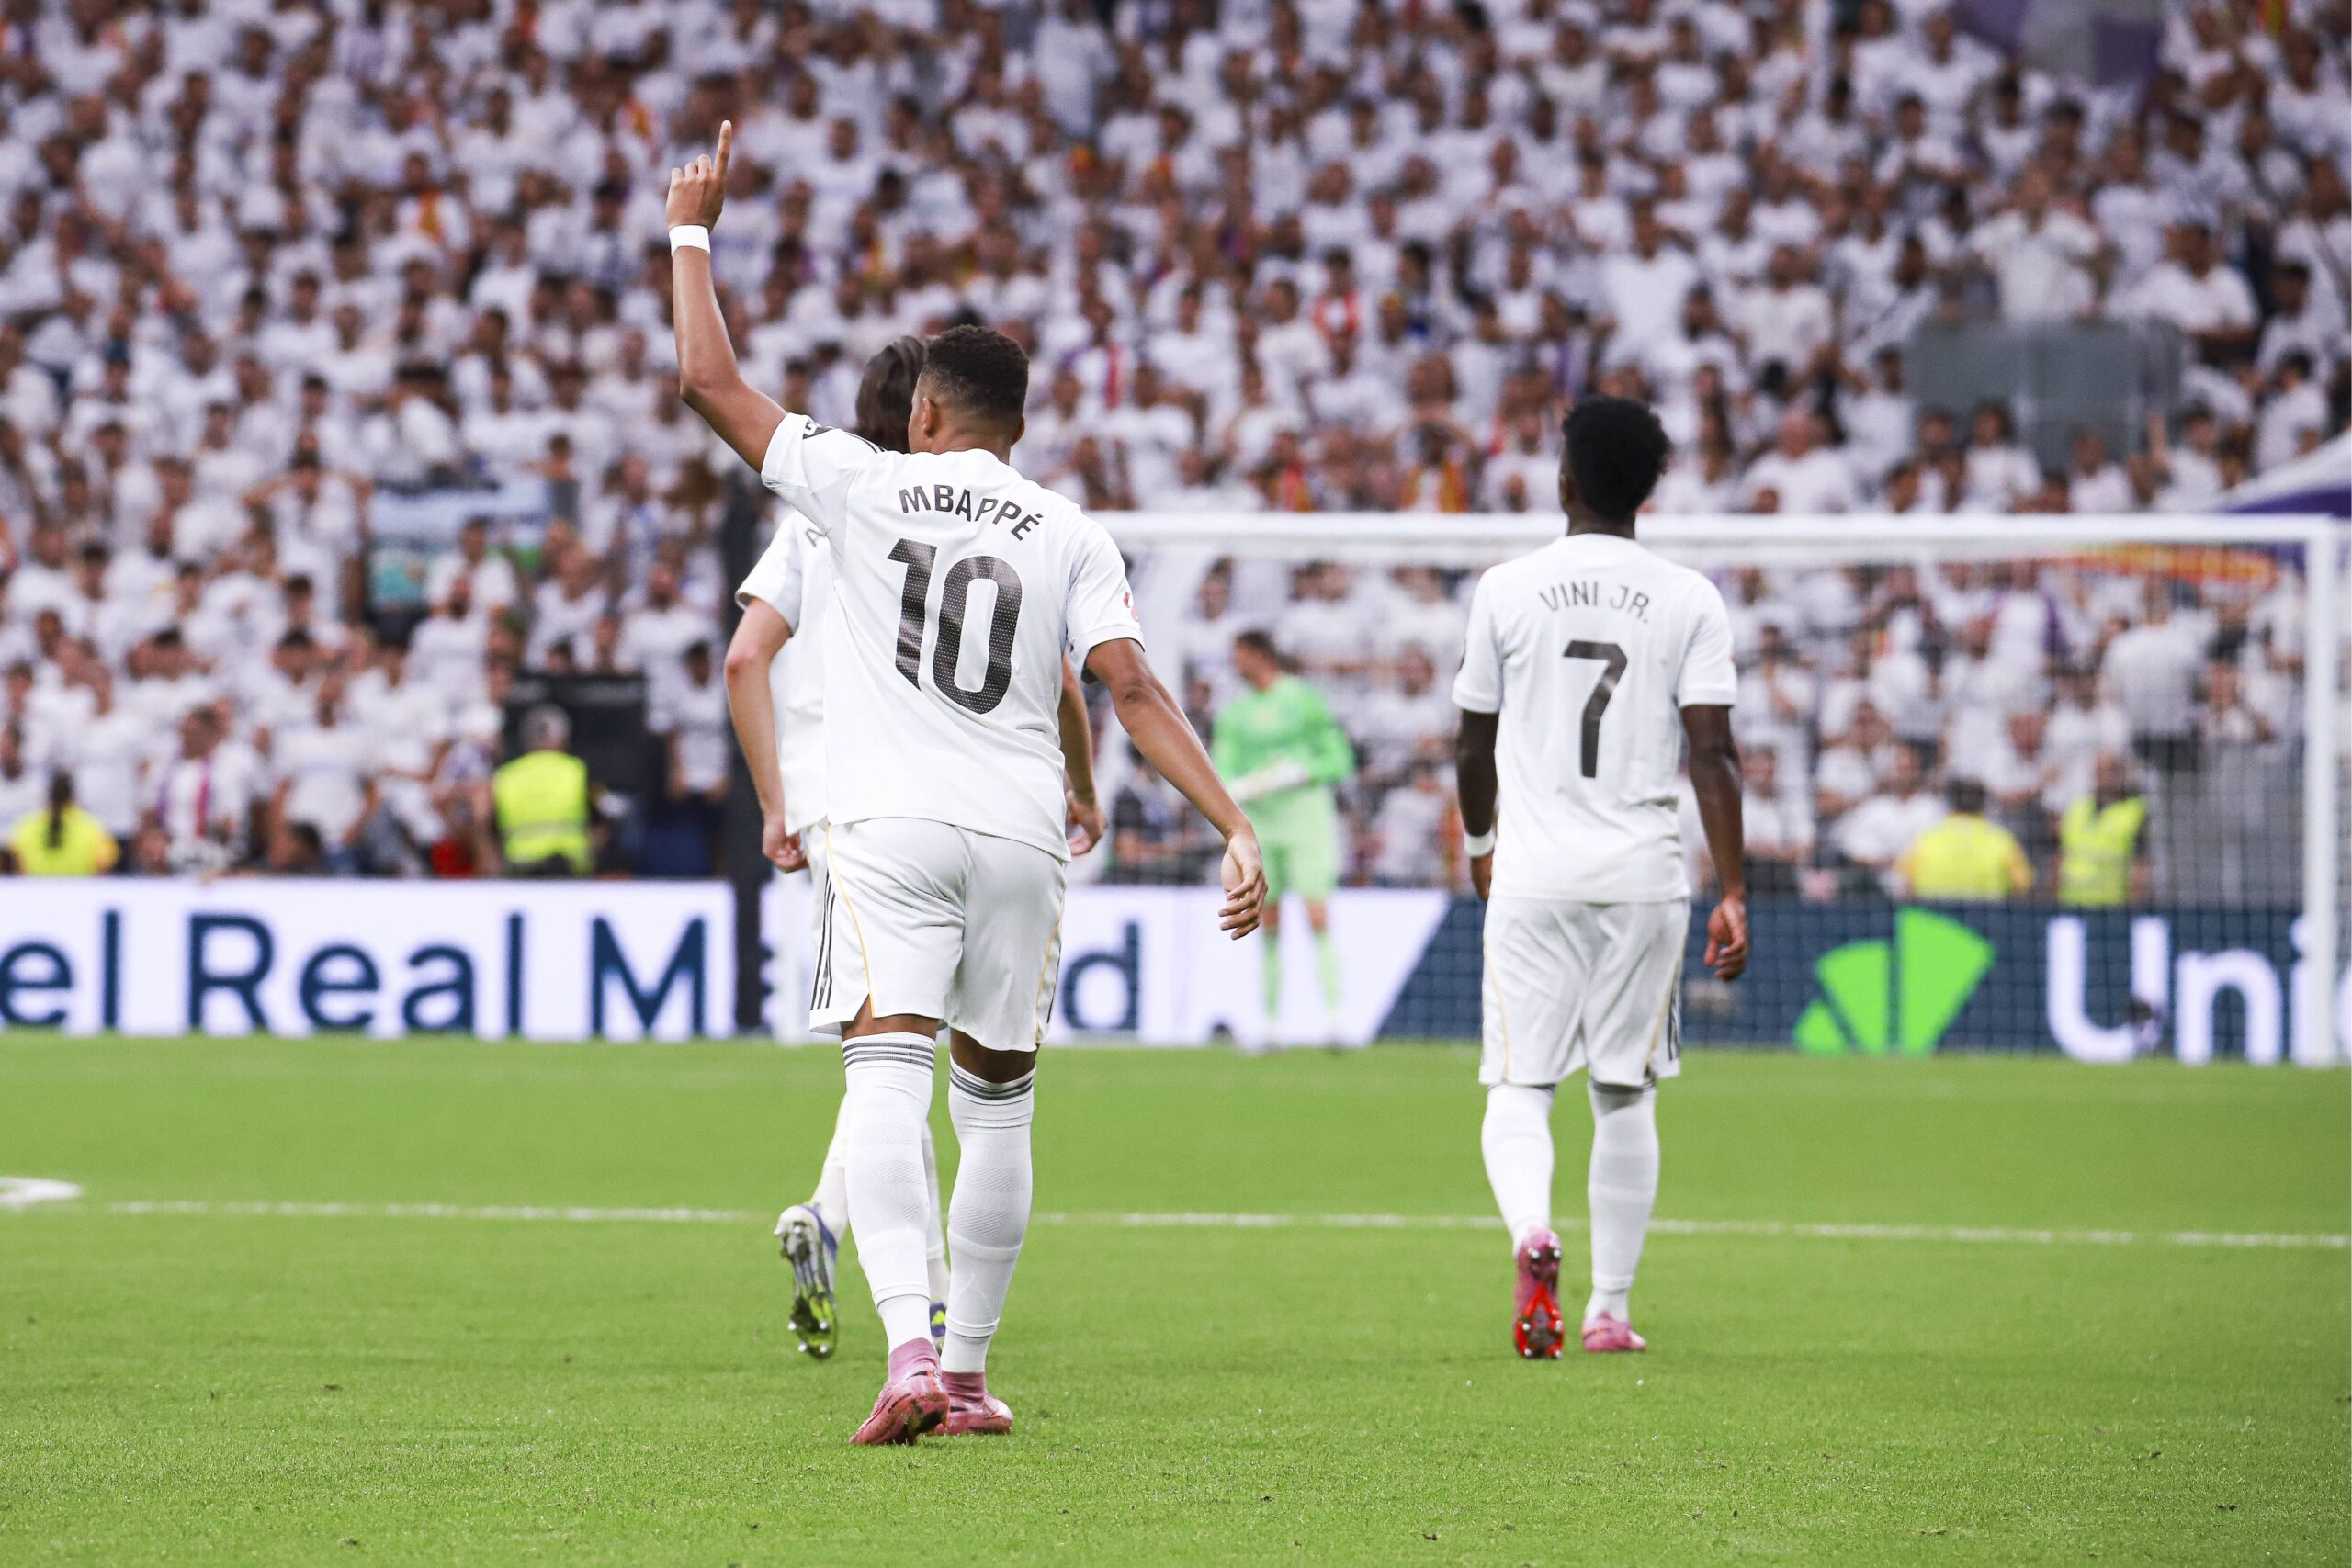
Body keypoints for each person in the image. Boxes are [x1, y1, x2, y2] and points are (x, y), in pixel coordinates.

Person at [668, 127, 1264, 1445]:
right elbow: (1130, 689)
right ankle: (978, 1367)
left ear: (925, 414)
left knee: (885, 1076)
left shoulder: (861, 486)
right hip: (1020, 835)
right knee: (999, 1100)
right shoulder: (1069, 527)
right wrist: (1232, 823)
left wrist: (691, 231)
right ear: (1020, 428)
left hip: (886, 829)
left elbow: (707, 378)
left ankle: (907, 1351)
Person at [723, 336, 1105, 1363]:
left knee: (886, 1059)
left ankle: (885, 1284)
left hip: (860, 813)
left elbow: (742, 656)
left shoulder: (832, 506)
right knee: (976, 1089)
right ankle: (949, 1330)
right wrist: (1085, 783)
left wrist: (774, 800)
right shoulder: (1045, 524)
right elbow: (1077, 680)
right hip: (1005, 814)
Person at [1453, 394, 1747, 1361]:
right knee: (1625, 1091)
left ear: (1563, 481)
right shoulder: (1690, 598)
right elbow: (1714, 755)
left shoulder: (1504, 589)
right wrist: (1735, 888)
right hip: (1642, 879)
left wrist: (1480, 843)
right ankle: (1609, 1310)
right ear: (1650, 491)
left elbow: (1473, 738)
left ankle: (1532, 1235)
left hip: (1533, 874)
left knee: (1518, 1084)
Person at [1211, 631, 1357, 1046]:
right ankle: (1271, 1023)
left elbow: (1339, 758)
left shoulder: (1302, 699)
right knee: (1265, 918)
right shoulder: (1235, 712)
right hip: (1258, 824)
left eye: (1239, 656)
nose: (1235, 665)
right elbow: (1223, 768)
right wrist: (1241, 787)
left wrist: (1301, 772)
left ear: (1259, 656)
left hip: (1305, 816)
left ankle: (1335, 1019)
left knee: (1316, 914)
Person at [491, 705, 594, 875]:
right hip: (571, 871)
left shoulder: (505, 776)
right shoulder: (577, 771)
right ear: (563, 739)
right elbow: (599, 827)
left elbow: (485, 822)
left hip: (519, 869)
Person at [1895, 778, 2033, 900]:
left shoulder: (1926, 839)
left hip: (1932, 923)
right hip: (1987, 923)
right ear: (1983, 803)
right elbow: (2022, 887)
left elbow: (1904, 885)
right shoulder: (2002, 839)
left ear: (1949, 803)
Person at [2055, 753, 2149, 908]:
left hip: (2112, 906)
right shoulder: (2077, 807)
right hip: (2071, 904)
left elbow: (2140, 866)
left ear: (2121, 774)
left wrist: (2134, 907)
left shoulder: (2136, 811)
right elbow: (2061, 856)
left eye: (2106, 771)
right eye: (2097, 772)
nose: (2100, 777)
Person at [6, 771, 119, 876]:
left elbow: (12, 859)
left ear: (48, 794)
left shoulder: (27, 825)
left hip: (33, 892)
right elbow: (104, 865)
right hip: (80, 892)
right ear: (73, 794)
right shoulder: (92, 826)